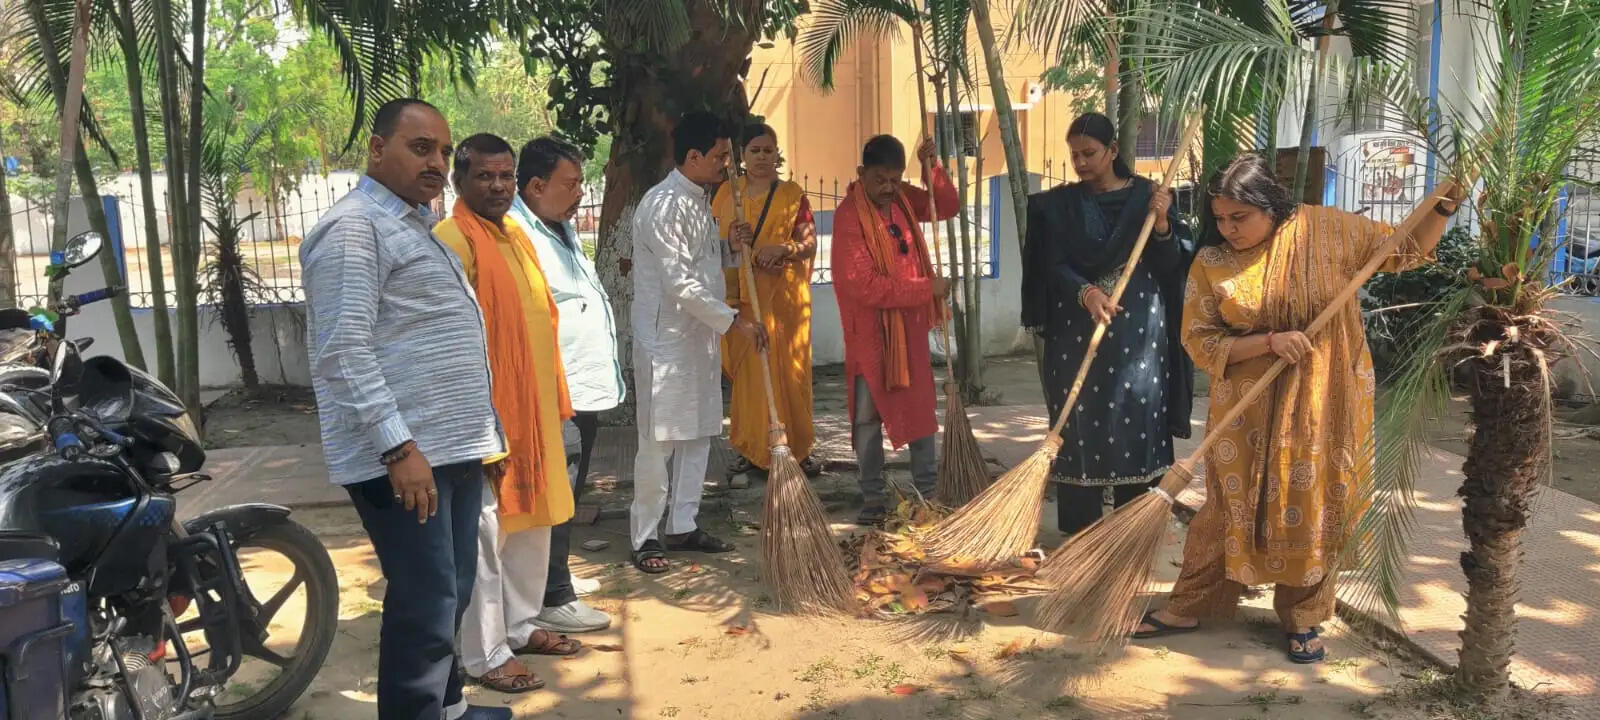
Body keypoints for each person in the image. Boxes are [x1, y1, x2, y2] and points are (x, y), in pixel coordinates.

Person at [1134, 153, 1461, 664]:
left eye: (1239, 217)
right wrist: (1267, 340)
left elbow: (1408, 251)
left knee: (1314, 502)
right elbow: (1198, 339)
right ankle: (1191, 603)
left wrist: (1441, 208)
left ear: (1272, 205)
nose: (1228, 229)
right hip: (1245, 403)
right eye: (1219, 218)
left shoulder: (1329, 231)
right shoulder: (1213, 262)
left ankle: (1304, 617)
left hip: (1325, 397)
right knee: (1227, 504)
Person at [300, 99, 510, 720]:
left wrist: (484, 437)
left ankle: (446, 707)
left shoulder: (412, 225)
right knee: (425, 597)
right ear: (376, 148)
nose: (438, 164)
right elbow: (343, 351)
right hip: (404, 456)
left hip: (451, 447)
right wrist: (398, 447)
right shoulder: (354, 228)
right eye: (421, 148)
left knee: (453, 589)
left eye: (444, 152)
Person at [434, 134, 587, 694]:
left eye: (505, 177)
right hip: (488, 418)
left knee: (533, 523)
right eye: (484, 177)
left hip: (535, 411)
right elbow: (457, 338)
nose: (497, 186)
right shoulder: (454, 239)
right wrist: (481, 421)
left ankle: (520, 626)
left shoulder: (515, 234)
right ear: (460, 179)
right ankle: (485, 651)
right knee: (487, 532)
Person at [1020, 112, 1196, 537]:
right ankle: (1082, 531)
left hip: (1138, 335)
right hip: (1076, 333)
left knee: (1136, 413)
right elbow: (1051, 265)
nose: (1080, 163)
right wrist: (1088, 293)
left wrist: (1164, 224)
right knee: (1078, 417)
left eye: (1090, 154)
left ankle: (1131, 529)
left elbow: (1173, 264)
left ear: (1113, 151)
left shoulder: (1147, 199)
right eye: (1075, 155)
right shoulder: (1059, 207)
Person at [629, 111, 768, 574]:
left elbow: (703, 269)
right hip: (665, 342)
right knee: (660, 441)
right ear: (692, 156)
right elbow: (679, 285)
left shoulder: (698, 202)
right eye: (720, 157)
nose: (728, 165)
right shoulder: (663, 205)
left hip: (698, 340)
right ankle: (645, 534)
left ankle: (682, 524)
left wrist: (728, 245)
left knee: (698, 435)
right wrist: (734, 322)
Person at [510, 136, 620, 634]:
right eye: (570, 183)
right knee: (554, 491)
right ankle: (552, 596)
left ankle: (554, 578)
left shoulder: (556, 227)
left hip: (580, 387)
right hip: (552, 391)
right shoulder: (517, 234)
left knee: (568, 490)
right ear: (535, 186)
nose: (580, 193)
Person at [831, 134, 959, 526]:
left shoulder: (903, 197)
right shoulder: (848, 216)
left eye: (894, 179)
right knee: (868, 417)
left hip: (911, 327)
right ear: (861, 174)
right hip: (870, 334)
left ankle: (927, 492)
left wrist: (931, 168)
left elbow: (947, 205)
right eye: (880, 179)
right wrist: (926, 289)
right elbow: (862, 284)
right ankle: (873, 495)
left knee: (920, 410)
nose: (888, 188)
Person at [713, 123, 821, 478]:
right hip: (742, 302)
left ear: (777, 154)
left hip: (784, 301)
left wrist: (785, 248)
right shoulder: (727, 195)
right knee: (750, 378)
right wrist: (731, 237)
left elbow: (808, 243)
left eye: (767, 150)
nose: (761, 157)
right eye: (754, 150)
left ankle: (797, 448)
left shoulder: (793, 195)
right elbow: (709, 246)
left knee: (790, 374)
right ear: (742, 157)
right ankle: (750, 447)